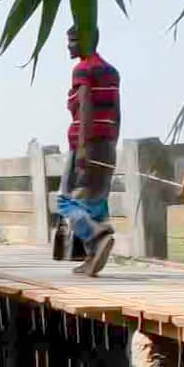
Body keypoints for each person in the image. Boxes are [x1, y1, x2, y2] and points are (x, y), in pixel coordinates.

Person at [57, 26, 120, 276]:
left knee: (66, 201)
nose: (69, 46)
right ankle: (93, 259)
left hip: (86, 144)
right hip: (107, 143)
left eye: (72, 40)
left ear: (86, 41)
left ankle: (97, 234)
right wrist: (112, 143)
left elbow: (85, 107)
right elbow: (116, 110)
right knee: (96, 201)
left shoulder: (83, 69)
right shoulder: (111, 71)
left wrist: (83, 149)